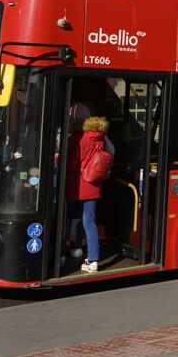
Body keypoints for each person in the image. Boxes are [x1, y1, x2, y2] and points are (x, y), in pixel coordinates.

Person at [74, 116, 114, 273]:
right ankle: (92, 260)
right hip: (95, 184)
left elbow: (71, 164)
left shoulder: (81, 139)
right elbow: (112, 152)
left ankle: (90, 259)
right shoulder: (102, 139)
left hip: (80, 185)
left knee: (78, 219)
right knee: (90, 221)